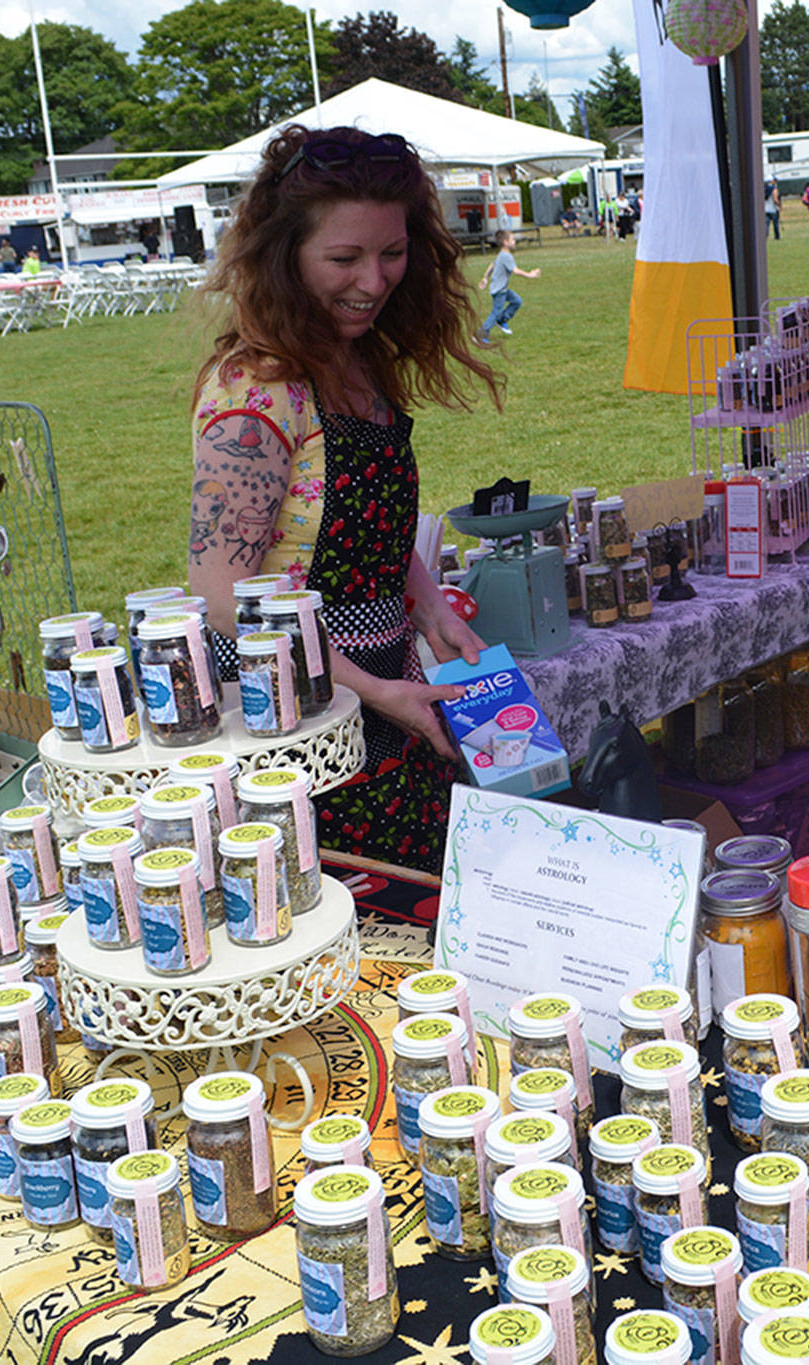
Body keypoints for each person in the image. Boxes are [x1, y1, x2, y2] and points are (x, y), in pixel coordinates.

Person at [187, 125, 500, 872]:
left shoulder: (355, 361)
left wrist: (428, 605)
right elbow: (225, 598)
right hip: (299, 732)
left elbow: (370, 529)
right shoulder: (254, 393)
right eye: (344, 258)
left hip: (385, 699)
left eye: (393, 252)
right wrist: (368, 691)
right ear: (285, 256)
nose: (375, 280)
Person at [475, 229, 541, 344]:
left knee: (517, 301)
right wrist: (530, 275)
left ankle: (502, 320)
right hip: (499, 290)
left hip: (502, 289)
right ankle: (481, 335)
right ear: (506, 242)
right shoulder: (506, 256)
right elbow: (515, 271)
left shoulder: (502, 255)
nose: (514, 241)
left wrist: (485, 277)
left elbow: (492, 265)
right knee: (495, 313)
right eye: (513, 239)